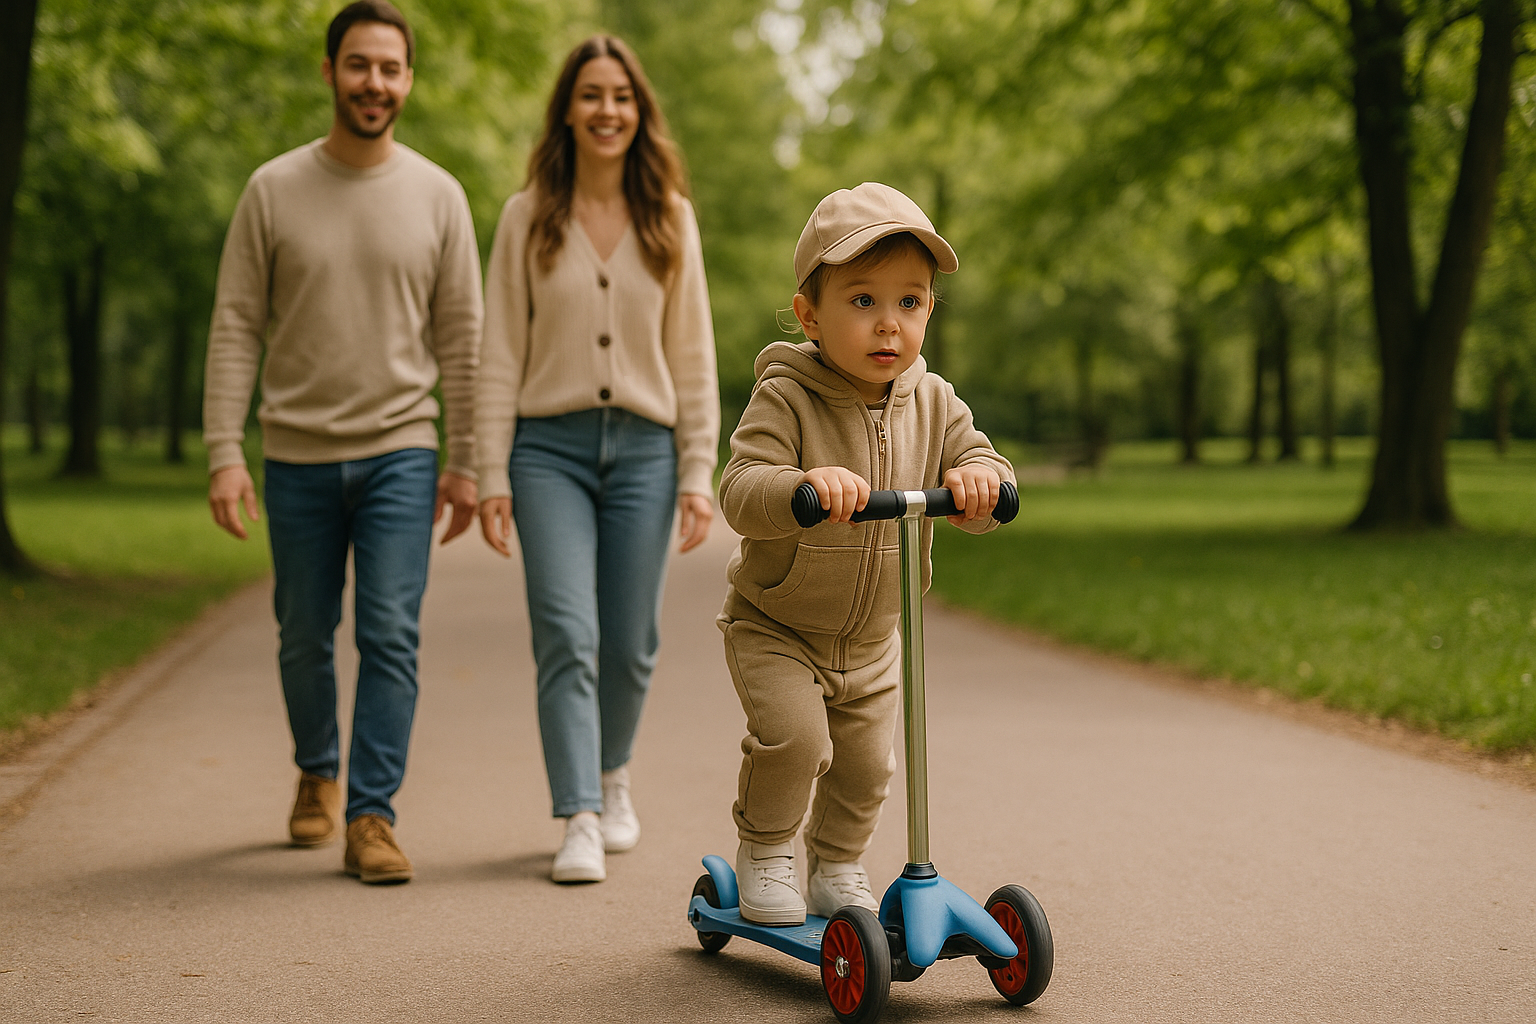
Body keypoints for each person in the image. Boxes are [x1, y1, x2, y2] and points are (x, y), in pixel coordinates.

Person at [203, 0, 482, 885]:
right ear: (330, 72)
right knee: (302, 634)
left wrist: (466, 461)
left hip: (401, 449)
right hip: (296, 453)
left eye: (390, 68)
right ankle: (316, 768)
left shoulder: (438, 194)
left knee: (390, 632)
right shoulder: (272, 189)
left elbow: (462, 337)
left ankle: (371, 815)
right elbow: (236, 324)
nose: (375, 82)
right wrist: (223, 450)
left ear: (409, 80)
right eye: (359, 64)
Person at [716, 182, 1015, 924]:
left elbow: (982, 464)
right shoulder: (786, 397)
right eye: (862, 301)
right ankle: (766, 849)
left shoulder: (935, 400)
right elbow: (741, 489)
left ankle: (838, 863)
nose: (889, 323)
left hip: (876, 638)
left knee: (868, 766)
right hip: (779, 628)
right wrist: (800, 487)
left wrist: (981, 483)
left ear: (930, 311)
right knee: (796, 742)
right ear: (809, 315)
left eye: (909, 302)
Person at [475, 36, 719, 885]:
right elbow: (498, 352)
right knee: (566, 634)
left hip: (647, 452)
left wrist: (697, 469)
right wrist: (491, 471)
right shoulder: (527, 215)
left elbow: (693, 353)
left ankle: (615, 776)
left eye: (621, 96)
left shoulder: (670, 218)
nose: (607, 110)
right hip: (549, 451)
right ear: (568, 112)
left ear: (639, 112)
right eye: (591, 95)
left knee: (630, 641)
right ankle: (578, 813)